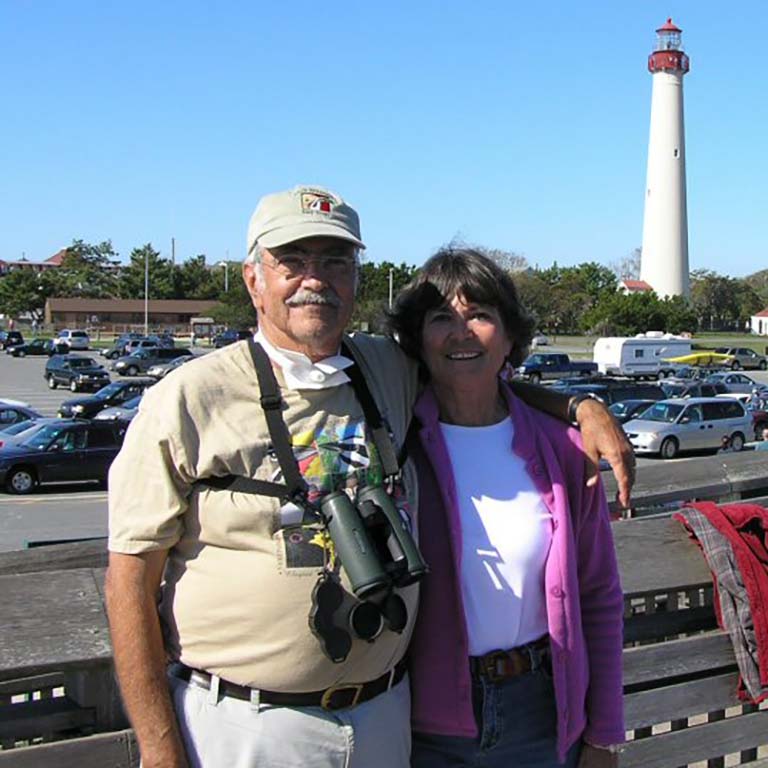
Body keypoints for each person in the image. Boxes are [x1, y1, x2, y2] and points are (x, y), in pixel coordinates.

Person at [105, 186, 633, 768]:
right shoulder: (185, 398)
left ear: (356, 277)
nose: (315, 279)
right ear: (253, 278)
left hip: (385, 717)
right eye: (293, 261)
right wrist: (159, 750)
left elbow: (477, 375)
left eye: (335, 261)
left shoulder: (383, 371)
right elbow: (129, 581)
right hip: (247, 723)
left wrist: (582, 407)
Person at [387, 247, 624, 768]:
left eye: (480, 315)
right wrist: (581, 403)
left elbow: (600, 596)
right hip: (420, 725)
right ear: (416, 339)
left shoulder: (562, 450)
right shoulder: (394, 442)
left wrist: (604, 734)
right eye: (441, 317)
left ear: (511, 335)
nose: (461, 332)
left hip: (541, 716)